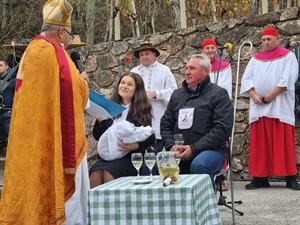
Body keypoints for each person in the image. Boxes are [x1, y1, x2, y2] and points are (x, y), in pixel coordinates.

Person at [0, 1, 90, 224]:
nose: (69, 39)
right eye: (69, 33)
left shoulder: (32, 50)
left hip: (30, 133)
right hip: (54, 136)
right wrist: (83, 82)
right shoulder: (54, 54)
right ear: (60, 32)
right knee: (64, 200)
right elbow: (73, 92)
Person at [160, 54, 234, 191]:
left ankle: (206, 210)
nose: (187, 72)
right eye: (186, 68)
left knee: (199, 164)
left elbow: (222, 129)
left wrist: (194, 149)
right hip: (178, 151)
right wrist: (170, 145)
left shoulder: (219, 94)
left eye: (192, 68)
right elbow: (165, 123)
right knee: (153, 167)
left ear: (205, 72)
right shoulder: (177, 95)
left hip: (212, 150)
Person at [240, 27, 300, 190]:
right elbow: (247, 78)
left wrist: (273, 94)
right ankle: (260, 177)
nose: (266, 42)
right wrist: (253, 95)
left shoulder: (288, 56)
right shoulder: (255, 59)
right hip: (259, 106)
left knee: (283, 142)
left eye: (269, 39)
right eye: (264, 39)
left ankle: (290, 177)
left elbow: (289, 77)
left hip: (280, 105)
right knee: (260, 144)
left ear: (277, 39)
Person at [89, 72, 155, 188]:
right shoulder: (110, 106)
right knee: (95, 172)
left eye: (130, 84)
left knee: (109, 172)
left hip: (128, 157)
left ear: (137, 89)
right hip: (108, 155)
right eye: (122, 83)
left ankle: (113, 205)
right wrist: (100, 122)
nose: (124, 86)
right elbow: (98, 136)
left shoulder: (142, 109)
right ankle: (95, 205)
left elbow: (149, 136)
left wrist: (136, 146)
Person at [131, 43, 178, 154]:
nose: (144, 57)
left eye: (147, 54)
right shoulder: (134, 72)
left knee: (156, 151)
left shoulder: (164, 70)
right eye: (141, 55)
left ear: (154, 55)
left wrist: (158, 94)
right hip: (138, 116)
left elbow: (174, 92)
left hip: (158, 116)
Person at [201, 39, 233, 191]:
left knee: (219, 142)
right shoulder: (199, 66)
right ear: (202, 51)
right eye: (207, 48)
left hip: (218, 109)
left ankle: (220, 179)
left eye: (212, 47)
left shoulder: (224, 66)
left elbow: (225, 88)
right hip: (202, 111)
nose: (210, 50)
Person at [0, 59, 16, 150]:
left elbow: (18, 96)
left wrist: (13, 109)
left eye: (0, 65)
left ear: (7, 67)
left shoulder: (13, 81)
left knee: (14, 136)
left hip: (7, 112)